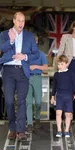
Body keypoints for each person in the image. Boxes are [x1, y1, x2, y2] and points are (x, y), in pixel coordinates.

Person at [0, 12, 39, 140]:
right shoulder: (4, 34)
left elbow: (36, 54)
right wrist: (11, 40)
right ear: (14, 21)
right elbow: (2, 48)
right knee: (9, 101)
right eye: (19, 20)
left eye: (23, 21)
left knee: (22, 101)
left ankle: (20, 130)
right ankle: (12, 128)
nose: (21, 23)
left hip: (23, 71)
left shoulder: (29, 36)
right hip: (8, 70)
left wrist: (25, 56)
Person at [51, 55, 75, 138]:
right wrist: (52, 96)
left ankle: (67, 130)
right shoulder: (56, 74)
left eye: (62, 64)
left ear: (66, 64)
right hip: (59, 96)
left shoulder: (70, 73)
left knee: (68, 114)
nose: (60, 66)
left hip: (68, 97)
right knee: (58, 113)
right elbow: (54, 86)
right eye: (59, 64)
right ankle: (59, 130)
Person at [26, 34, 48, 133]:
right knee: (29, 103)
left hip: (37, 78)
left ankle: (37, 118)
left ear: (36, 42)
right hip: (26, 79)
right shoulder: (24, 55)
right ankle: (30, 123)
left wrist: (35, 66)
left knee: (38, 102)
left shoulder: (41, 54)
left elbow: (45, 68)